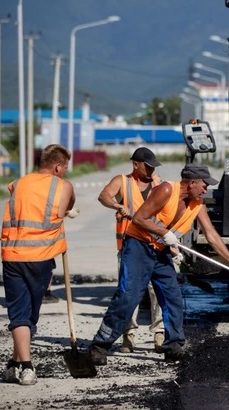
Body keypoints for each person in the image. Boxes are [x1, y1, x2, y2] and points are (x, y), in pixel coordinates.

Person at [89, 164, 229, 364]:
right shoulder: (166, 190)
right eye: (204, 185)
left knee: (173, 297)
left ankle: (173, 345)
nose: (206, 189)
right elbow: (139, 219)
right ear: (192, 182)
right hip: (138, 247)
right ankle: (100, 345)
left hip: (160, 251)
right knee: (128, 296)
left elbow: (211, 234)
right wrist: (164, 233)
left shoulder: (198, 203)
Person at [0, 144, 77, 385]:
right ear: (57, 167)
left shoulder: (19, 183)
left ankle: (14, 365)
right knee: (28, 316)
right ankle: (27, 367)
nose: (65, 172)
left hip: (12, 256)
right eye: (65, 167)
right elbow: (67, 204)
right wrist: (68, 211)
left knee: (19, 313)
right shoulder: (62, 186)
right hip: (40, 258)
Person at [97, 147, 166, 354]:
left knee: (157, 291)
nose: (152, 170)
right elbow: (104, 196)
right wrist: (117, 206)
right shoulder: (122, 182)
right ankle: (128, 335)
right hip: (129, 246)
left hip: (154, 244)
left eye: (153, 167)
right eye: (148, 166)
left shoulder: (158, 183)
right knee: (129, 292)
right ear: (136, 164)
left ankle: (160, 334)